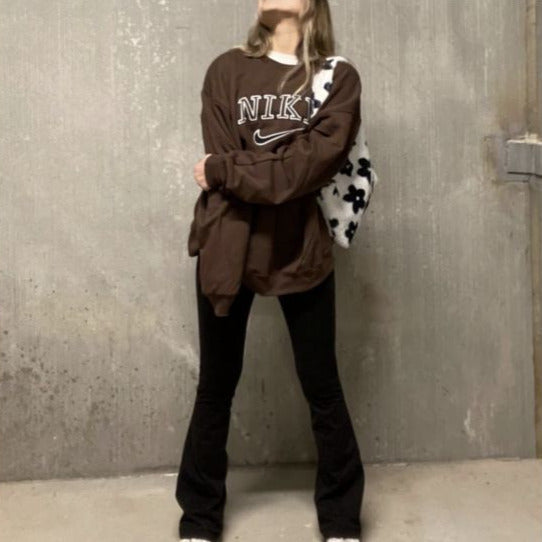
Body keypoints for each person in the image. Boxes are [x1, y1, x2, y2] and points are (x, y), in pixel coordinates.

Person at [175, 1, 365, 541]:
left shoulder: (337, 78)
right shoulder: (225, 70)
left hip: (298, 248)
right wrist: (257, 168)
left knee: (321, 386)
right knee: (215, 384)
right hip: (228, 242)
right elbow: (261, 162)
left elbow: (309, 166)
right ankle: (199, 518)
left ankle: (342, 519)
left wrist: (226, 170)